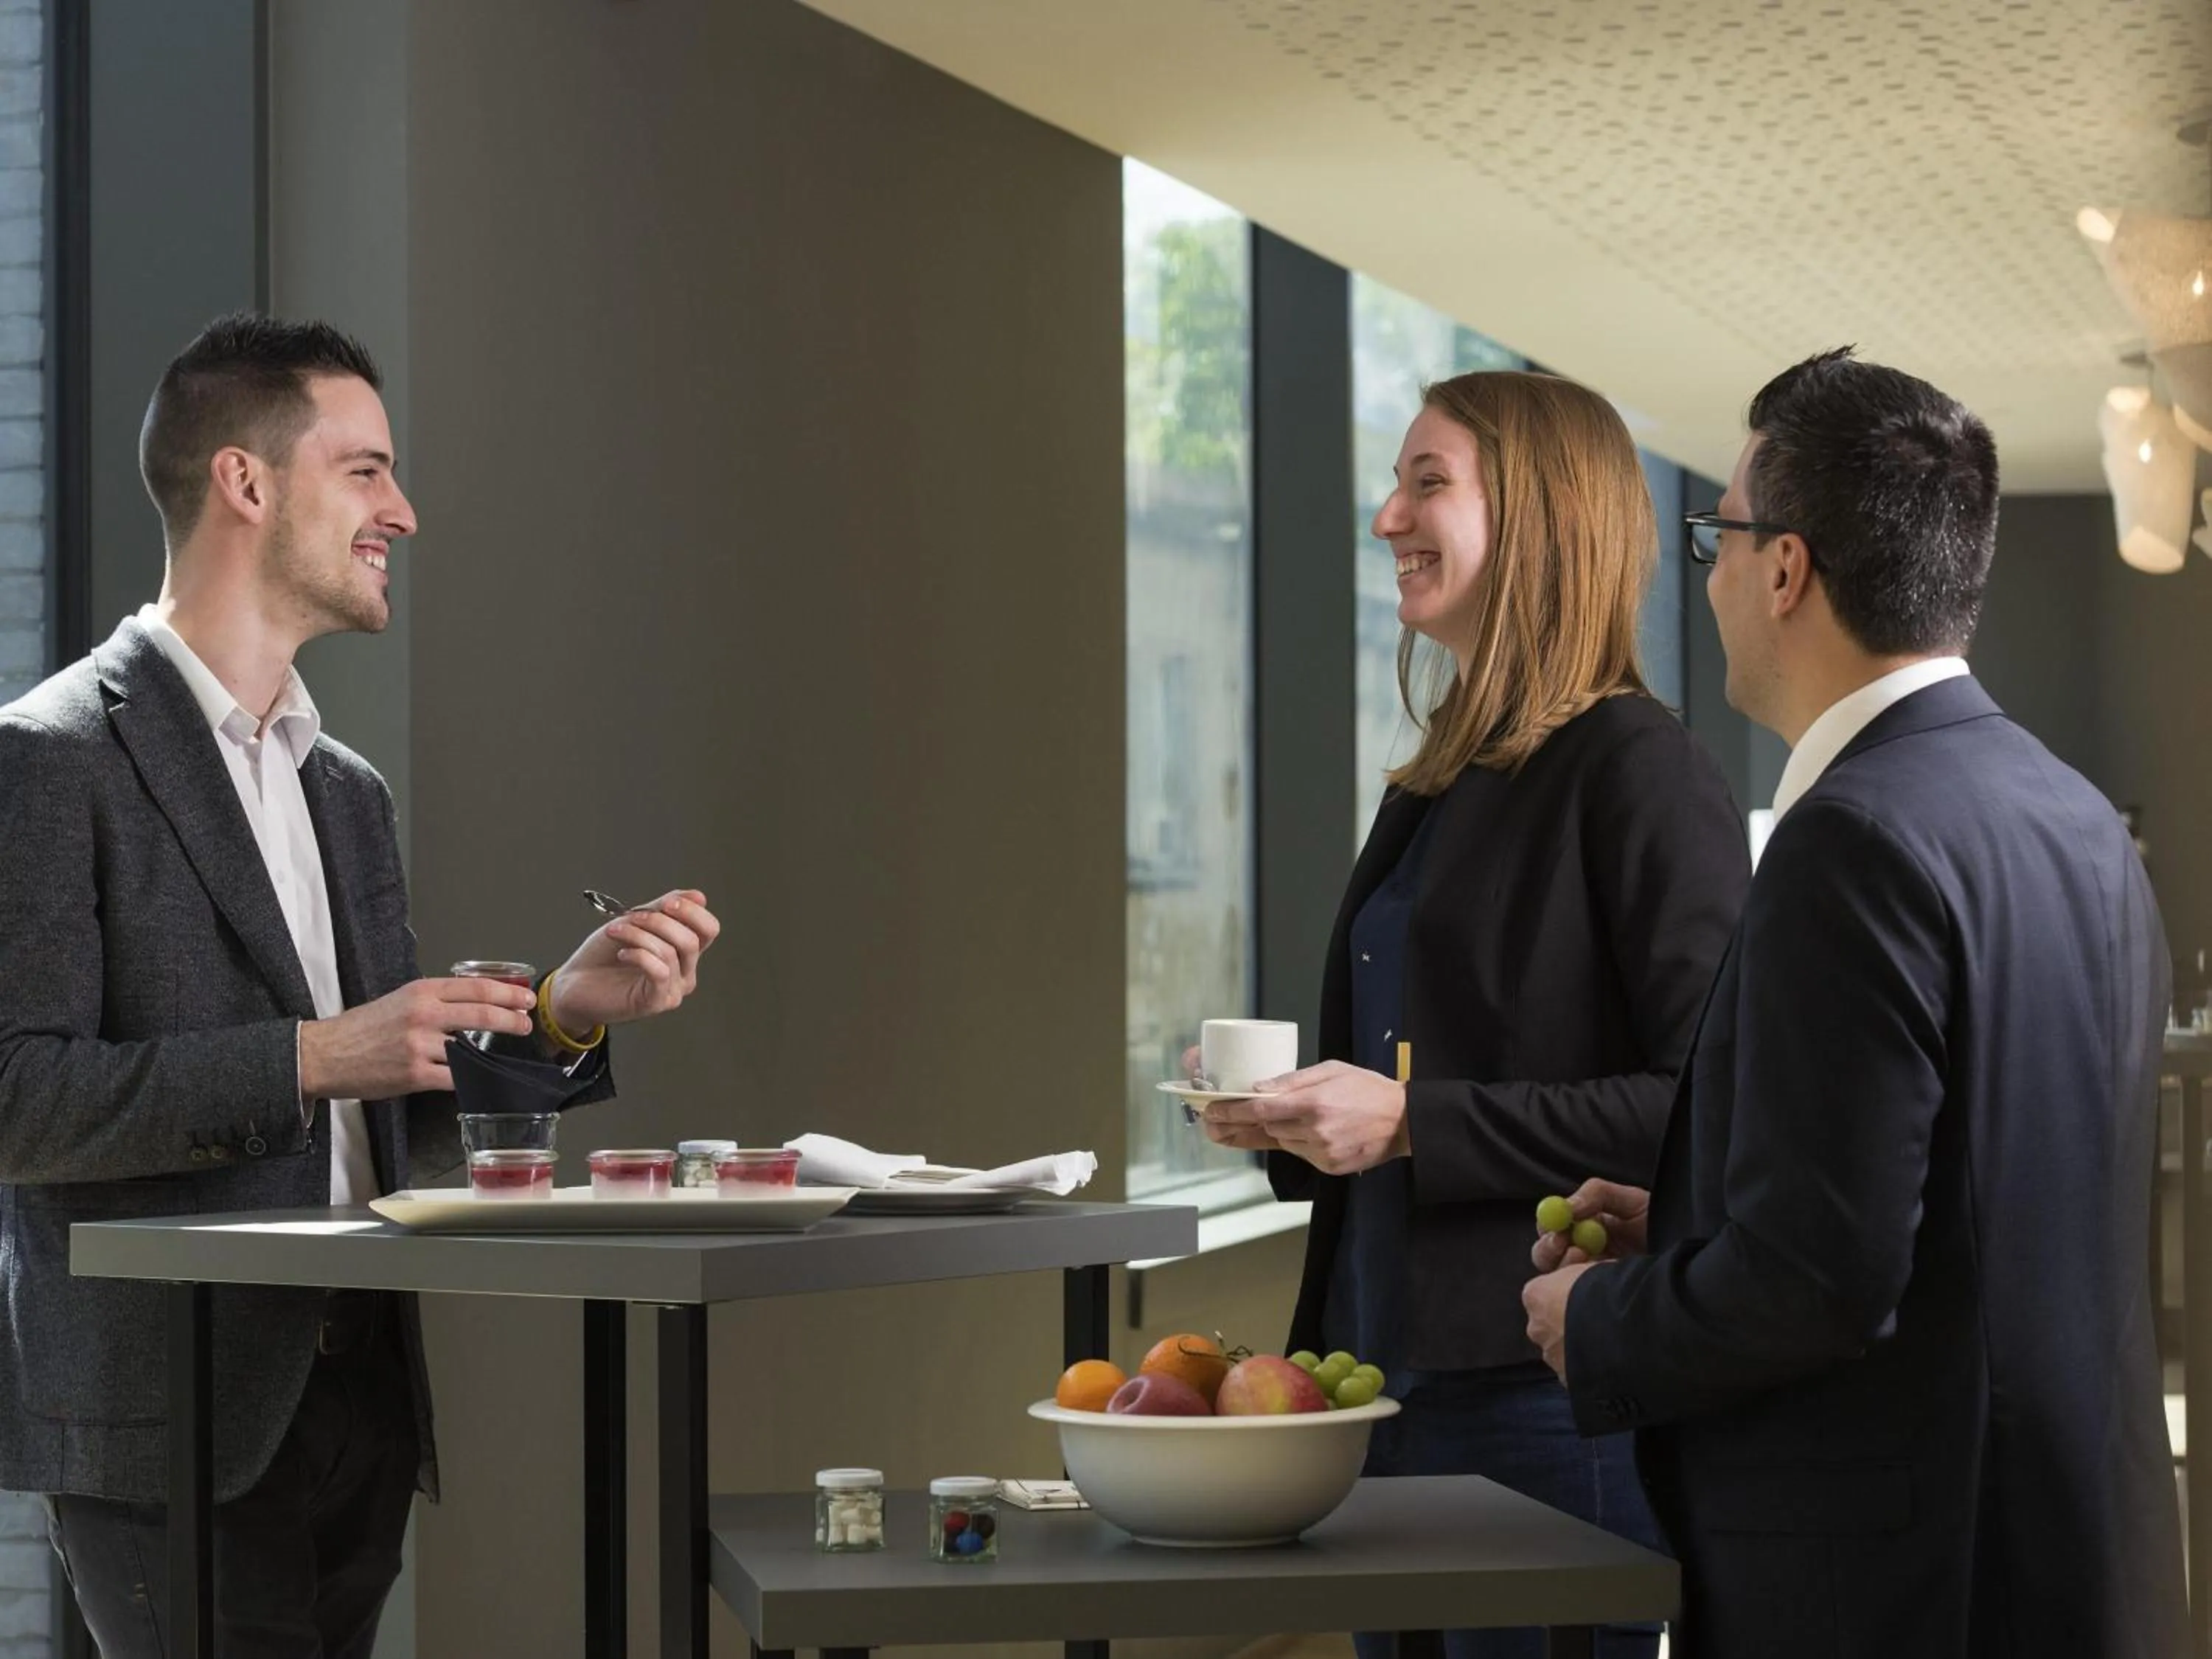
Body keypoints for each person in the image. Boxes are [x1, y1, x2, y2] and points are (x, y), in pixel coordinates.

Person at [0, 313, 722, 1658]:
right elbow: (20, 1102)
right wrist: (317, 1053)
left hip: (363, 1403)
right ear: (246, 480)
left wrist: (560, 1013)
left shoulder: (347, 793)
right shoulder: (50, 758)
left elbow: (392, 1120)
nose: (404, 510)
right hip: (175, 1418)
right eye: (368, 471)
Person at [1523, 348, 2188, 1658]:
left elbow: (1818, 1282)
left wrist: (1595, 1318)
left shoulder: (1851, 839)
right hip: (2075, 1564)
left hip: (1898, 1591)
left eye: (1718, 536)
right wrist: (1696, 1217)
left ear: (1786, 569)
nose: (1708, 576)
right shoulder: (2075, 816)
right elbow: (1978, 1204)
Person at [1203, 370, 1747, 1658]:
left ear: (1543, 516)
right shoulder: (1441, 777)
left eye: (1428, 483)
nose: (1386, 517)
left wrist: (1412, 1123)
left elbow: (1707, 1106)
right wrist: (1304, 1119)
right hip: (1375, 1376)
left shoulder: (1641, 769)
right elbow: (1440, 1060)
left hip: (1542, 1395)